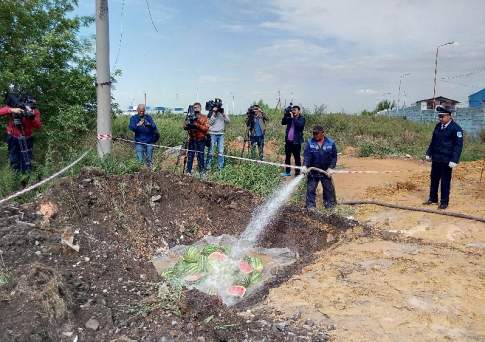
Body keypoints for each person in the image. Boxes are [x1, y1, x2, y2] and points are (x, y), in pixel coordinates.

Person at [423, 105, 463, 209]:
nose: (440, 119)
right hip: (436, 158)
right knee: (434, 179)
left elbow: (458, 146)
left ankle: (444, 202)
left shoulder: (456, 129)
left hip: (447, 160)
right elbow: (433, 141)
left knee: (445, 181)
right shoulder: (438, 126)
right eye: (439, 116)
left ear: (449, 116)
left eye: (442, 116)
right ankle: (433, 198)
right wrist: (429, 152)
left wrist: (454, 160)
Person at [0, 99, 42, 173]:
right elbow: (1, 111)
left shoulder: (34, 111)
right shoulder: (15, 106)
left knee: (27, 158)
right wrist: (12, 110)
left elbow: (38, 125)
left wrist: (31, 117)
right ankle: (15, 176)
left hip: (27, 137)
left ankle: (26, 176)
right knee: (13, 158)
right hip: (13, 137)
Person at [302, 125, 337, 209]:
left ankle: (330, 207)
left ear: (323, 133)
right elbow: (307, 156)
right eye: (314, 133)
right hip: (313, 172)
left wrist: (331, 168)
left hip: (325, 171)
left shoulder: (331, 143)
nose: (315, 135)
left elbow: (334, 157)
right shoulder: (310, 143)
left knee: (328, 190)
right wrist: (305, 166)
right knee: (310, 190)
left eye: (317, 133)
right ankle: (310, 208)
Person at [184, 102, 209, 176]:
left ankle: (202, 172)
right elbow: (184, 126)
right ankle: (188, 171)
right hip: (192, 139)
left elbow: (206, 129)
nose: (195, 109)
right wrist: (188, 124)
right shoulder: (190, 116)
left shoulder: (204, 117)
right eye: (194, 107)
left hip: (201, 140)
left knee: (201, 156)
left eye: (197, 107)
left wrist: (197, 125)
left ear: (200, 108)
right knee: (190, 155)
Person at [281, 105, 305, 176]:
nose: (293, 111)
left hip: (296, 142)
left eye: (295, 110)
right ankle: (287, 172)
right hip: (288, 141)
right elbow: (283, 122)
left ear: (299, 111)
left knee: (297, 158)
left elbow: (299, 125)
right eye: (293, 110)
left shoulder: (302, 118)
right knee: (287, 157)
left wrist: (293, 118)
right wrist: (285, 114)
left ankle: (297, 173)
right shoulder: (289, 117)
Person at [206, 104, 229, 170]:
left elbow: (228, 121)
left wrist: (223, 114)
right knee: (211, 151)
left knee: (221, 151)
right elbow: (209, 123)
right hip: (212, 134)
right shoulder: (211, 113)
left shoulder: (222, 112)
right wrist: (213, 114)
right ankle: (208, 167)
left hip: (221, 134)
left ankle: (220, 168)